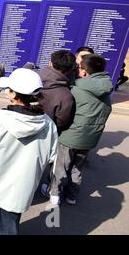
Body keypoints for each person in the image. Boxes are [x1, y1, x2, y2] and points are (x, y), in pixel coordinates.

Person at [0, 68, 58, 235]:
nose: (6, 91)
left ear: (14, 95)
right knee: (8, 229)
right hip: (20, 190)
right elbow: (52, 156)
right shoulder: (49, 125)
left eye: (9, 89)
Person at [42, 54, 113, 206]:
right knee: (77, 168)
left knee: (60, 166)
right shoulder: (106, 88)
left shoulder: (76, 89)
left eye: (79, 67)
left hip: (70, 136)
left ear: (84, 72)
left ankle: (54, 194)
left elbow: (65, 111)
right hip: (90, 138)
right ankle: (72, 196)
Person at [38, 50, 76, 134]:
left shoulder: (34, 79)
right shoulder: (66, 96)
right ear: (70, 69)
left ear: (50, 63)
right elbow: (63, 122)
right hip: (47, 134)